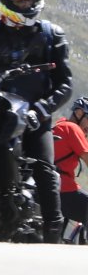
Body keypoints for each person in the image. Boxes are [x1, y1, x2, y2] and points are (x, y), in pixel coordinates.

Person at [0, 0, 70, 242]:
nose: (26, 4)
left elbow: (65, 84)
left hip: (36, 116)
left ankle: (53, 233)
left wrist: (42, 109)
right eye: (20, 0)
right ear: (6, 2)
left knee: (45, 167)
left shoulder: (52, 34)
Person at [52, 96, 88, 231]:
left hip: (50, 186)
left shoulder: (59, 125)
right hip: (63, 188)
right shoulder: (72, 128)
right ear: (79, 113)